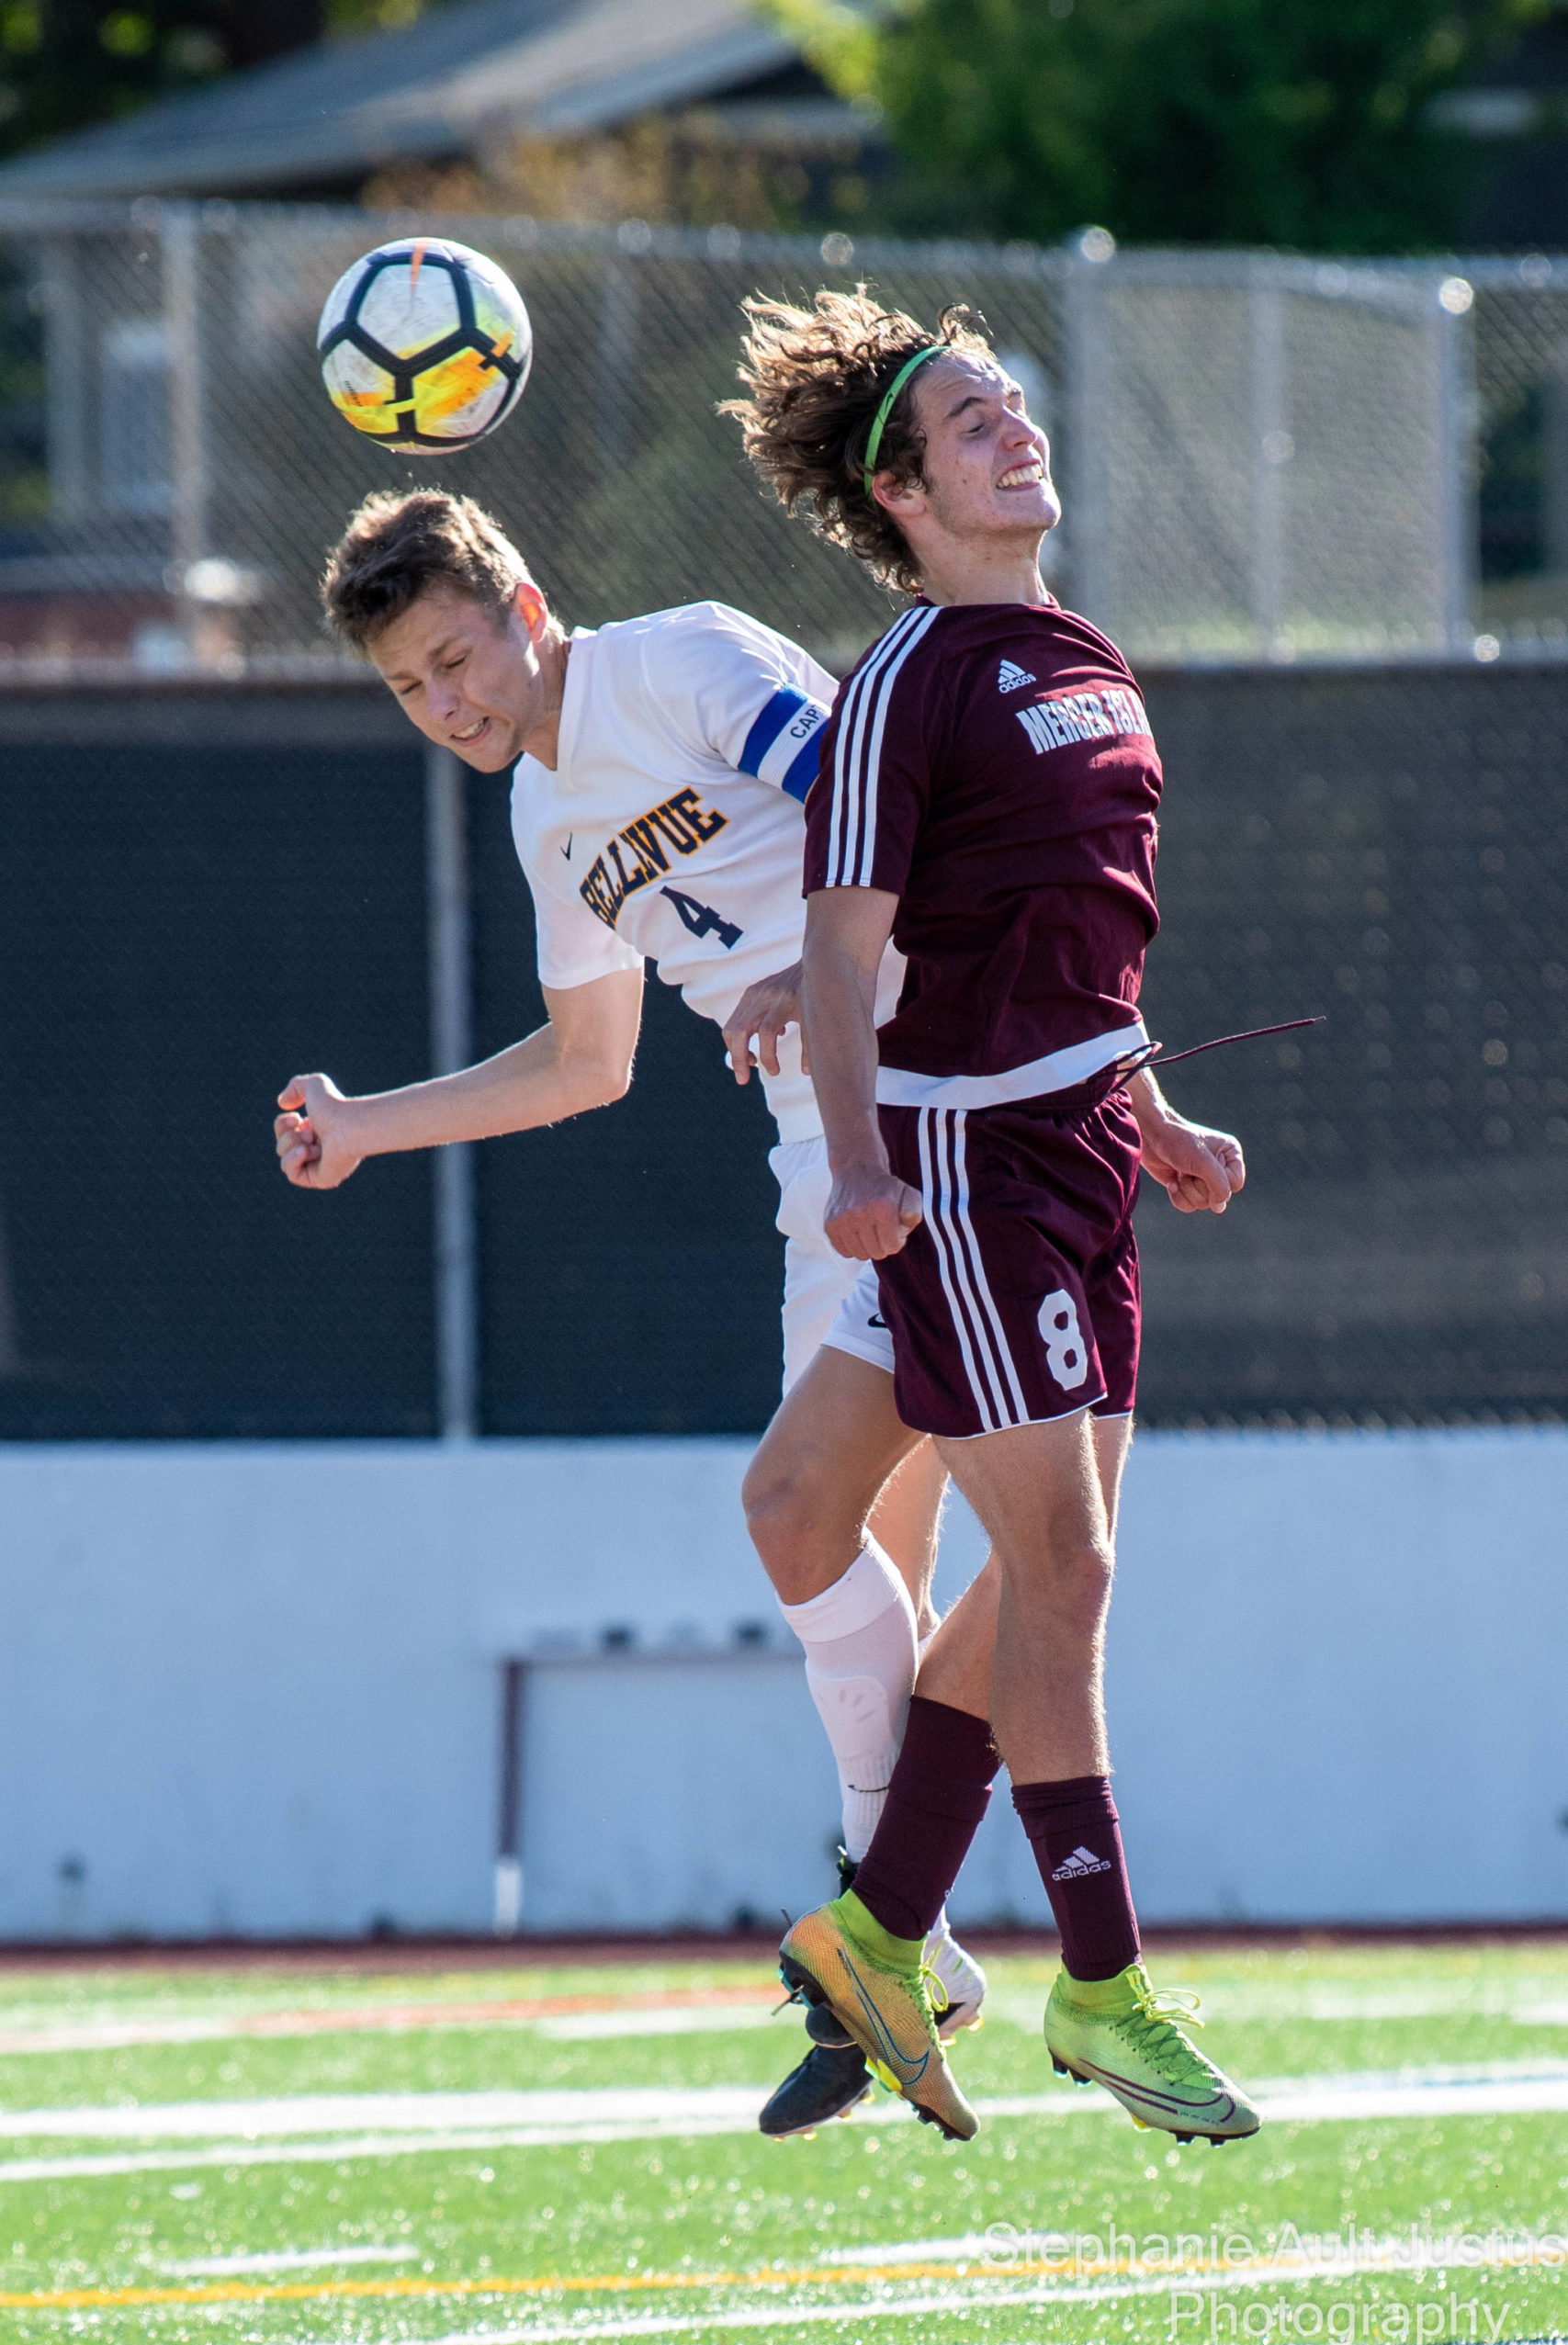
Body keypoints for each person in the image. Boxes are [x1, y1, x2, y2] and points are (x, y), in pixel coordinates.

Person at [271, 489, 987, 2124]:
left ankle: (919, 1932)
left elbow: (888, 815)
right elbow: (588, 1067)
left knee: (826, 1524)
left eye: (456, 656)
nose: (446, 703)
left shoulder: (681, 662)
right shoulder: (542, 821)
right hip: (824, 1161)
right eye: (409, 689)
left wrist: (811, 973)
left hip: (941, 1094)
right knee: (851, 1548)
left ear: (527, 603)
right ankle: (904, 1933)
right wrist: (369, 1125)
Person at [726, 288, 1260, 2145]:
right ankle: (1102, 1983)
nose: (1010, 426)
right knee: (1070, 1572)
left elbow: (1076, 946)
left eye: (1008, 402)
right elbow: (839, 953)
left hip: (1084, 1155)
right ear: (900, 494)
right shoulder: (907, 681)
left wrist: (1158, 1110)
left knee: (1052, 1564)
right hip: (956, 1171)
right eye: (966, 422)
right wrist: (862, 1166)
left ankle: (874, 1933)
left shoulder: (1084, 653)